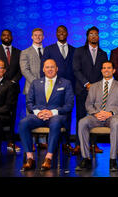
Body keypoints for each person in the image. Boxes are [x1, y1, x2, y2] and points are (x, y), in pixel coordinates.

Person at [19, 59, 74, 171]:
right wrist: (38, 112)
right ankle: (30, 158)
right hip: (39, 115)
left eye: (52, 67)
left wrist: (52, 112)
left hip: (56, 116)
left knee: (55, 123)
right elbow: (29, 103)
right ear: (43, 69)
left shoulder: (65, 83)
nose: (50, 69)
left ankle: (48, 157)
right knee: (23, 123)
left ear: (57, 69)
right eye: (47, 67)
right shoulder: (35, 83)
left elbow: (69, 105)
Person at [76, 61, 118, 172]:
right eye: (104, 68)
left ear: (113, 70)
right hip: (96, 116)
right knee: (82, 122)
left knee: (115, 123)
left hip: (113, 116)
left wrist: (110, 113)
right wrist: (96, 113)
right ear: (101, 70)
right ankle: (86, 158)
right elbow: (88, 104)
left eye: (109, 68)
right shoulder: (94, 86)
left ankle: (113, 159)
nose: (106, 70)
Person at [73, 26, 108, 155]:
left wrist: (96, 87)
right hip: (82, 89)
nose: (94, 36)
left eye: (96, 34)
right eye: (91, 34)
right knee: (80, 117)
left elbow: (104, 72)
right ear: (87, 37)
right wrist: (87, 84)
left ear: (98, 37)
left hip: (97, 92)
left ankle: (94, 144)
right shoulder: (79, 51)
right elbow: (76, 70)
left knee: (95, 118)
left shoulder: (103, 54)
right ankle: (78, 144)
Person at [42, 25, 78, 153]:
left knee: (67, 115)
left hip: (70, 87)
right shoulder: (49, 49)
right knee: (51, 114)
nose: (61, 33)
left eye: (64, 31)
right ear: (56, 34)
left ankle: (66, 143)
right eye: (59, 32)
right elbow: (44, 69)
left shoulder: (74, 50)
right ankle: (53, 143)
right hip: (52, 88)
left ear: (67, 33)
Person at [0, 29, 22, 152]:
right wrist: (3, 83)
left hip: (13, 89)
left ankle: (11, 142)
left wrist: (12, 82)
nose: (6, 37)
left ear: (12, 37)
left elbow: (20, 70)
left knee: (11, 116)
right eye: (4, 35)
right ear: (1, 37)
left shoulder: (18, 52)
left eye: (8, 35)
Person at [20, 27, 48, 150]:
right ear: (32, 37)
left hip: (46, 88)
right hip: (31, 87)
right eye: (35, 35)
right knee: (30, 115)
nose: (38, 37)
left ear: (43, 37)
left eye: (40, 35)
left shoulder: (48, 51)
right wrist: (37, 83)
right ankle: (30, 142)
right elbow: (24, 70)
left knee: (43, 113)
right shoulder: (25, 52)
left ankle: (42, 140)